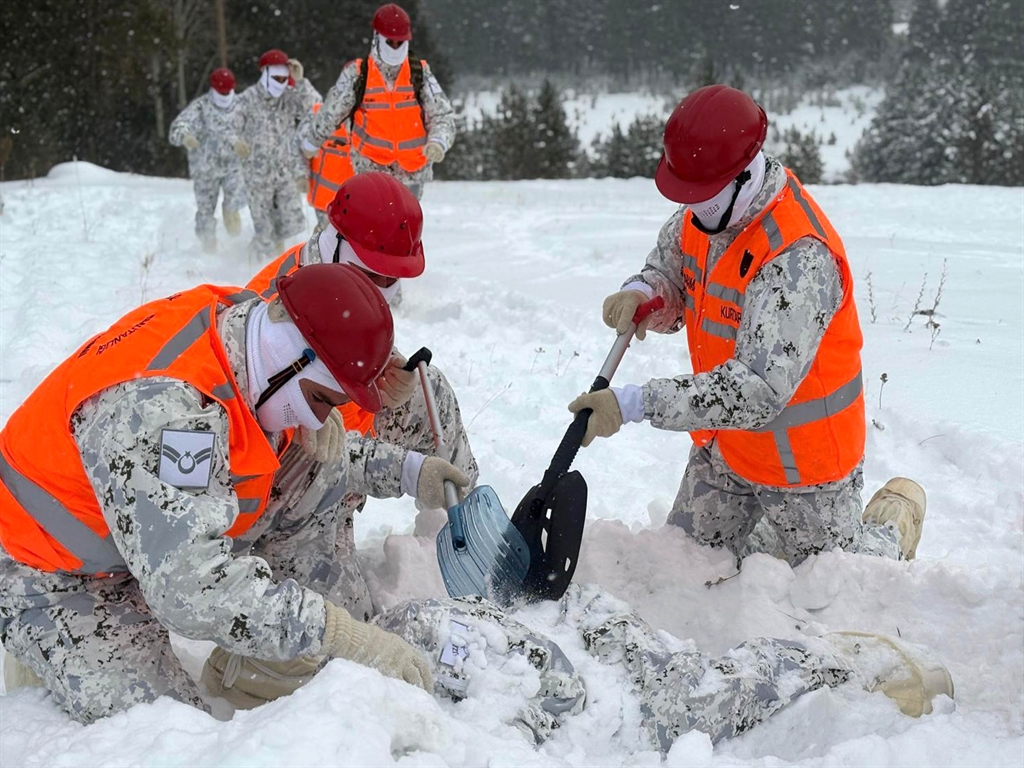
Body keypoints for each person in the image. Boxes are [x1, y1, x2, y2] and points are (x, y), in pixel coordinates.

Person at [0, 263, 473, 723]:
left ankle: (249, 669)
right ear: (294, 358)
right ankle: (43, 655)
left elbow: (271, 446)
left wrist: (408, 469)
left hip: (151, 530)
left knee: (314, 463)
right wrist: (339, 634)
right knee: (164, 732)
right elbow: (189, 586)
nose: (316, 420)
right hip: (58, 575)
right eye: (321, 401)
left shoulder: (250, 332)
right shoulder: (166, 412)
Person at [567, 85, 927, 567]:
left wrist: (634, 403)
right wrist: (643, 292)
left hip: (805, 468)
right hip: (725, 448)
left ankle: (889, 525)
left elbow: (757, 390)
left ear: (744, 174)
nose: (692, 208)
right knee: (684, 567)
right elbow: (671, 268)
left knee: (831, 584)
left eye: (701, 195)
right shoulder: (708, 211)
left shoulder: (797, 257)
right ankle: (764, 536)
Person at [205, 585, 954, 752]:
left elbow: (543, 681)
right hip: (586, 665)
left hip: (604, 675)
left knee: (686, 705)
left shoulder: (409, 640)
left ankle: (841, 665)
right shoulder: (395, 672)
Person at [243, 171, 478, 606]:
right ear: (333, 242)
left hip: (345, 447)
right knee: (344, 626)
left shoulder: (341, 282)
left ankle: (465, 523)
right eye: (374, 274)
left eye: (393, 280)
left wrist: (388, 385)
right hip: (292, 483)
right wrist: (403, 469)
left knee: (430, 389)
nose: (382, 289)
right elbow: (289, 447)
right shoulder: (278, 312)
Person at [298, 3, 455, 202]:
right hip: (370, 169)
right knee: (373, 227)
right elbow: (331, 112)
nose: (396, 48)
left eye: (401, 42)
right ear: (377, 38)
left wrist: (438, 141)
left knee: (405, 228)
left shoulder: (419, 73)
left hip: (413, 171)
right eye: (391, 42)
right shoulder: (357, 74)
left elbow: (442, 114)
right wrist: (312, 142)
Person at [235, 49, 321, 258]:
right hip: (257, 175)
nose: (280, 83)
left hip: (285, 173)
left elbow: (317, 109)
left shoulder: (290, 97)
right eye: (276, 78)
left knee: (289, 225)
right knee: (264, 229)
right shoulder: (246, 99)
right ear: (264, 73)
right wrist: (235, 142)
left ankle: (275, 259)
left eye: (285, 78)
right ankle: (255, 267)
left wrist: (301, 82)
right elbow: (229, 125)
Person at [168, 67, 247, 253]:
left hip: (232, 166)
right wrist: (185, 136)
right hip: (205, 169)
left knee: (235, 199)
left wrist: (247, 144)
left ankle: (234, 229)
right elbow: (178, 127)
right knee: (205, 211)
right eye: (222, 91)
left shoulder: (241, 105)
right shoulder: (201, 106)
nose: (225, 94)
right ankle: (207, 245)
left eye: (228, 91)